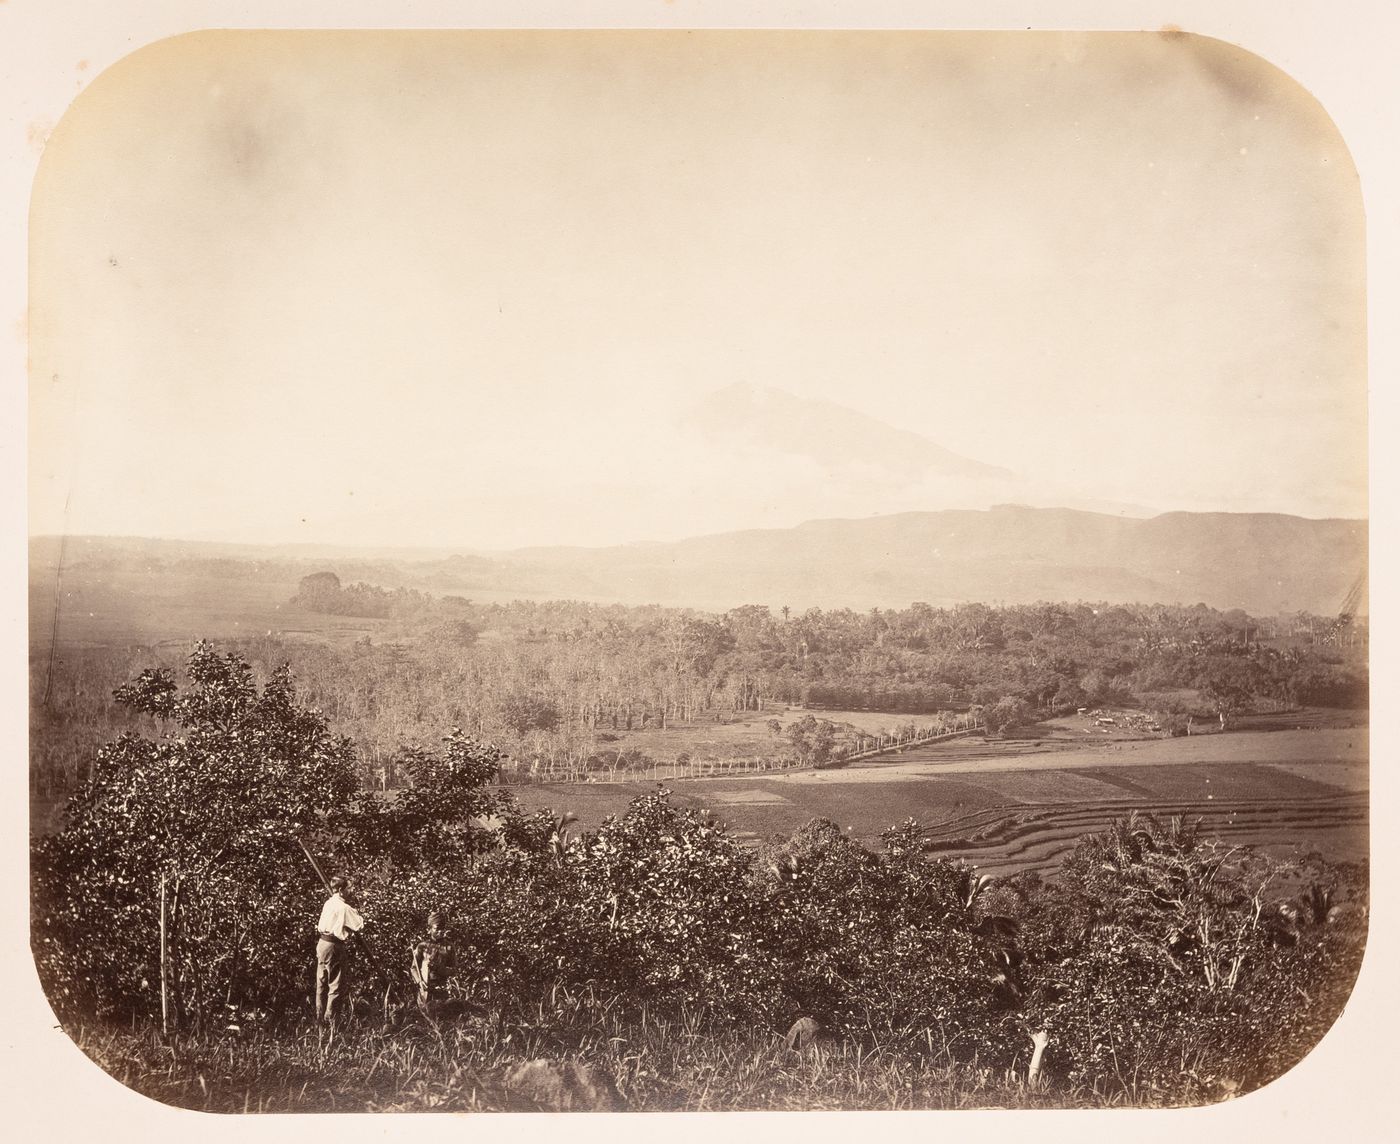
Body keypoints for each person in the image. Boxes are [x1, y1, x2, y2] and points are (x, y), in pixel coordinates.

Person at [315, 875, 364, 1031]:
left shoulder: (329, 903)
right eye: (349, 888)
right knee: (336, 984)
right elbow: (358, 924)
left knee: (321, 983)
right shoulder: (344, 907)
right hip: (334, 946)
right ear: (341, 890)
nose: (351, 891)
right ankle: (331, 1023)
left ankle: (319, 1019)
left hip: (322, 944)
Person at [409, 911, 457, 1011]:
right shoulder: (422, 947)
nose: (440, 932)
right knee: (424, 1017)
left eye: (442, 929)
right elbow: (414, 968)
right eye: (437, 929)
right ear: (429, 929)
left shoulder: (449, 947)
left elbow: (454, 969)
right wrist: (419, 982)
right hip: (425, 991)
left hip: (443, 990)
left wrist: (441, 969)